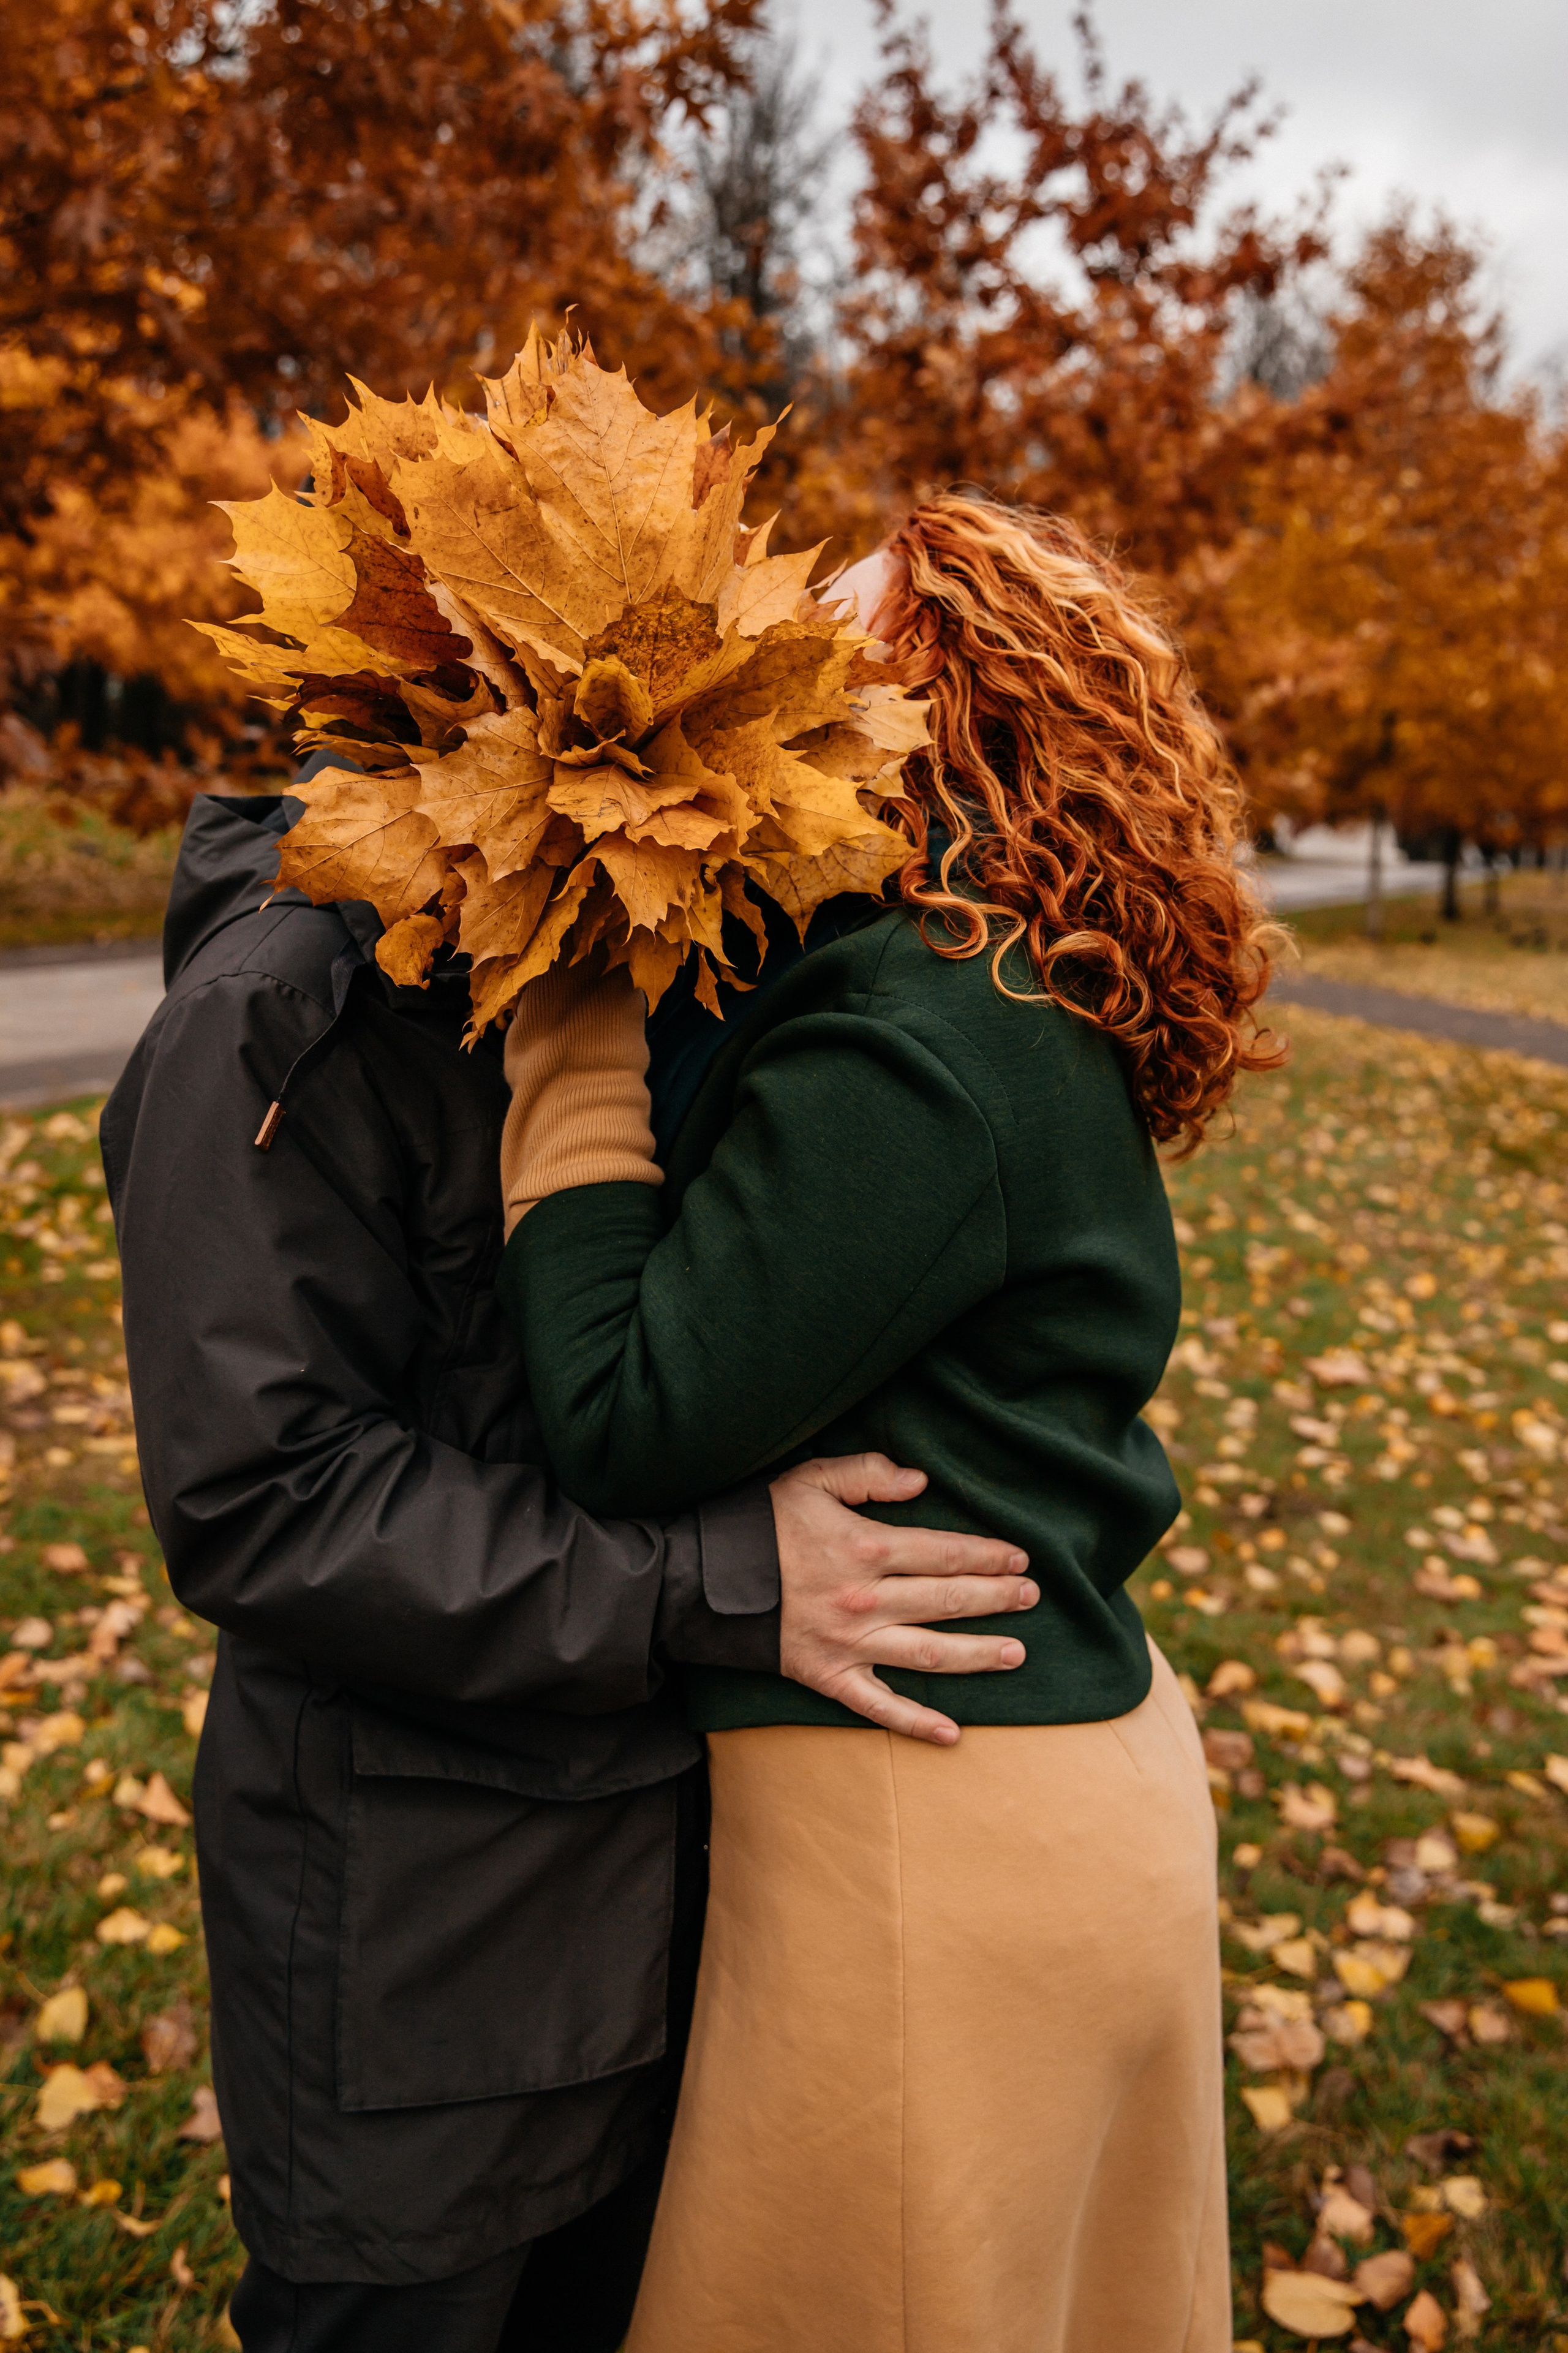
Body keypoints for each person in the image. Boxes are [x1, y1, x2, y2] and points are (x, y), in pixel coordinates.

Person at [100, 780, 1038, 2353]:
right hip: (415, 1961)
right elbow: (266, 1496)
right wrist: (720, 1581)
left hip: (663, 1925)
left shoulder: (624, 957)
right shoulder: (280, 1005)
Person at [492, 494, 1283, 2352]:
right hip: (1040, 1775)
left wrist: (568, 1024)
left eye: (834, 641)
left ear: (943, 702)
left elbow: (620, 1408)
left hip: (933, 1847)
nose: (773, 673)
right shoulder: (992, 982)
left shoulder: (929, 1027)